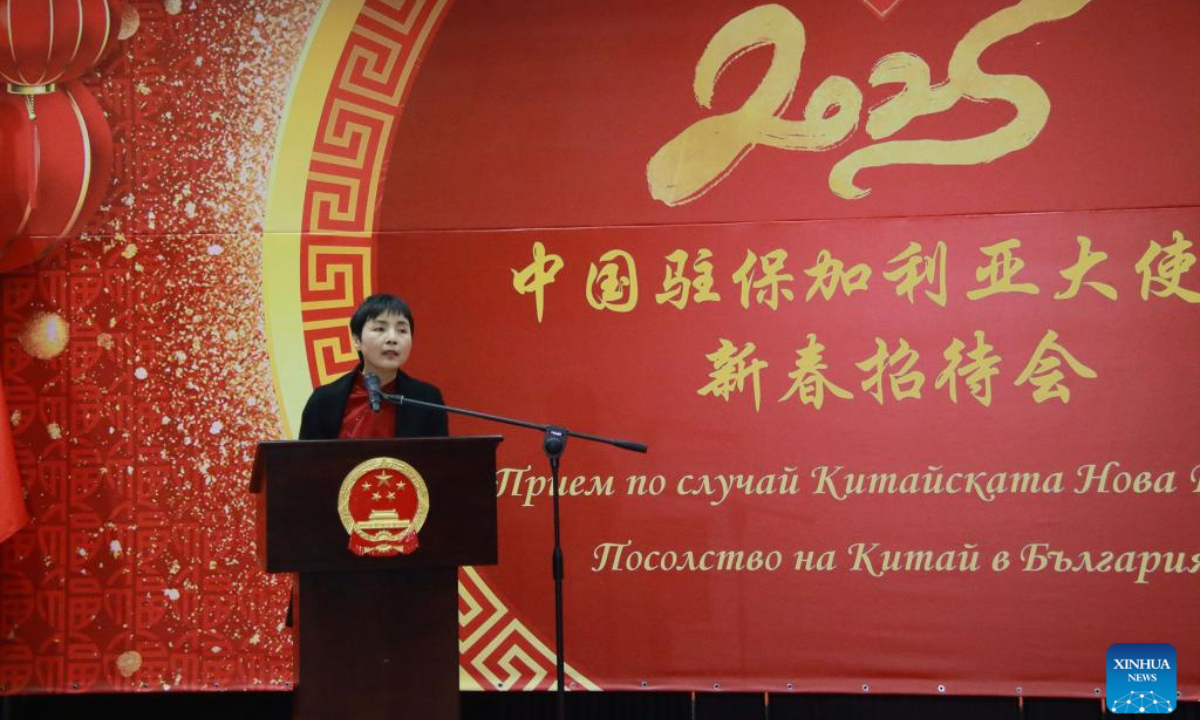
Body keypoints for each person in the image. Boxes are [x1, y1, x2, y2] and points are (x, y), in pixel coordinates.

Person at [298, 293, 449, 440]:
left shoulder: (427, 400)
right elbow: (305, 463)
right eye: (380, 329)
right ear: (357, 340)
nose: (392, 338)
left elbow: (438, 462)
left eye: (402, 330)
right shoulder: (324, 400)